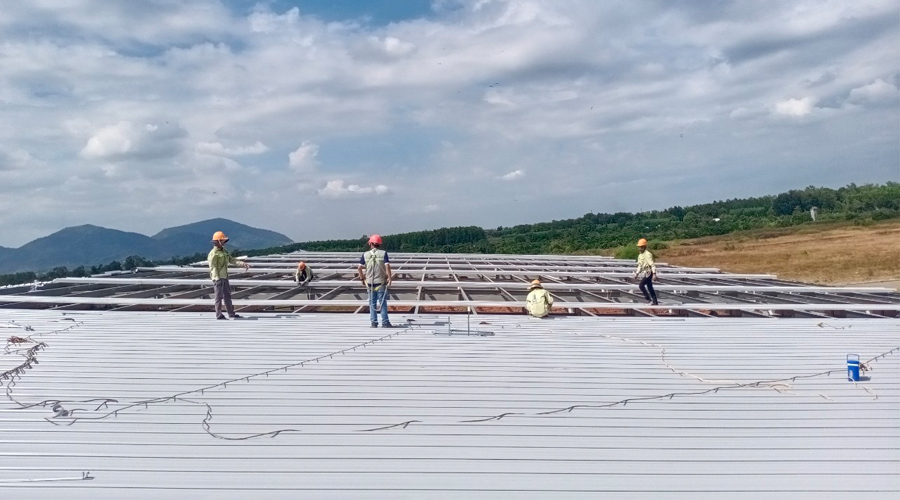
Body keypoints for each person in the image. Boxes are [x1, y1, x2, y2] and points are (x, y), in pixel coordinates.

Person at [208, 231, 250, 320]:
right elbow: (213, 267)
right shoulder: (213, 254)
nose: (224, 242)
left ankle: (231, 313)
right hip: (218, 278)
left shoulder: (224, 252)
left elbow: (232, 260)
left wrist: (243, 264)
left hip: (225, 277)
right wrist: (217, 278)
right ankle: (218, 314)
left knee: (227, 296)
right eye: (222, 241)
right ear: (218, 241)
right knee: (218, 297)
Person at [357, 234, 392, 328]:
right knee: (382, 302)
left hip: (369, 282)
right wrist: (390, 278)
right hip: (381, 282)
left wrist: (361, 278)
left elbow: (359, 267)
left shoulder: (365, 254)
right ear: (379, 244)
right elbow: (387, 266)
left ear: (371, 244)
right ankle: (385, 322)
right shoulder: (383, 253)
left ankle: (374, 322)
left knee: (372, 303)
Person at [633, 238, 658, 305]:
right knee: (650, 287)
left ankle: (649, 300)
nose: (640, 249)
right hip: (646, 273)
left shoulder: (647, 254)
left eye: (641, 247)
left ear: (644, 247)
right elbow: (640, 266)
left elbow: (652, 264)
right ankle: (655, 302)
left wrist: (654, 274)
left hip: (649, 272)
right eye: (639, 247)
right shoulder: (640, 255)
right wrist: (637, 273)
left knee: (641, 285)